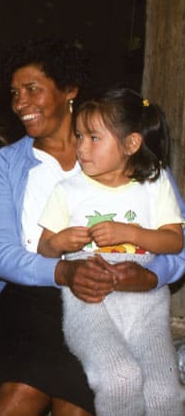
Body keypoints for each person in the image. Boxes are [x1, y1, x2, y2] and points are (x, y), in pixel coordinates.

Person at [0, 37, 185, 416]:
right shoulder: (9, 164)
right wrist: (63, 269)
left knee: (79, 404)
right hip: (31, 299)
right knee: (23, 393)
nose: (20, 103)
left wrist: (146, 276)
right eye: (14, 93)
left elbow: (177, 246)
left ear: (68, 91)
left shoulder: (128, 156)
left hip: (113, 302)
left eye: (32, 90)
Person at [37, 88, 184, 415]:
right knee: (120, 377)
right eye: (79, 136)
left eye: (93, 138)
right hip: (90, 305)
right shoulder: (68, 191)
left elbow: (175, 241)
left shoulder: (154, 184)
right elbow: (44, 247)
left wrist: (130, 233)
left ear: (131, 144)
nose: (81, 147)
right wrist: (61, 242)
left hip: (145, 306)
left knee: (165, 392)